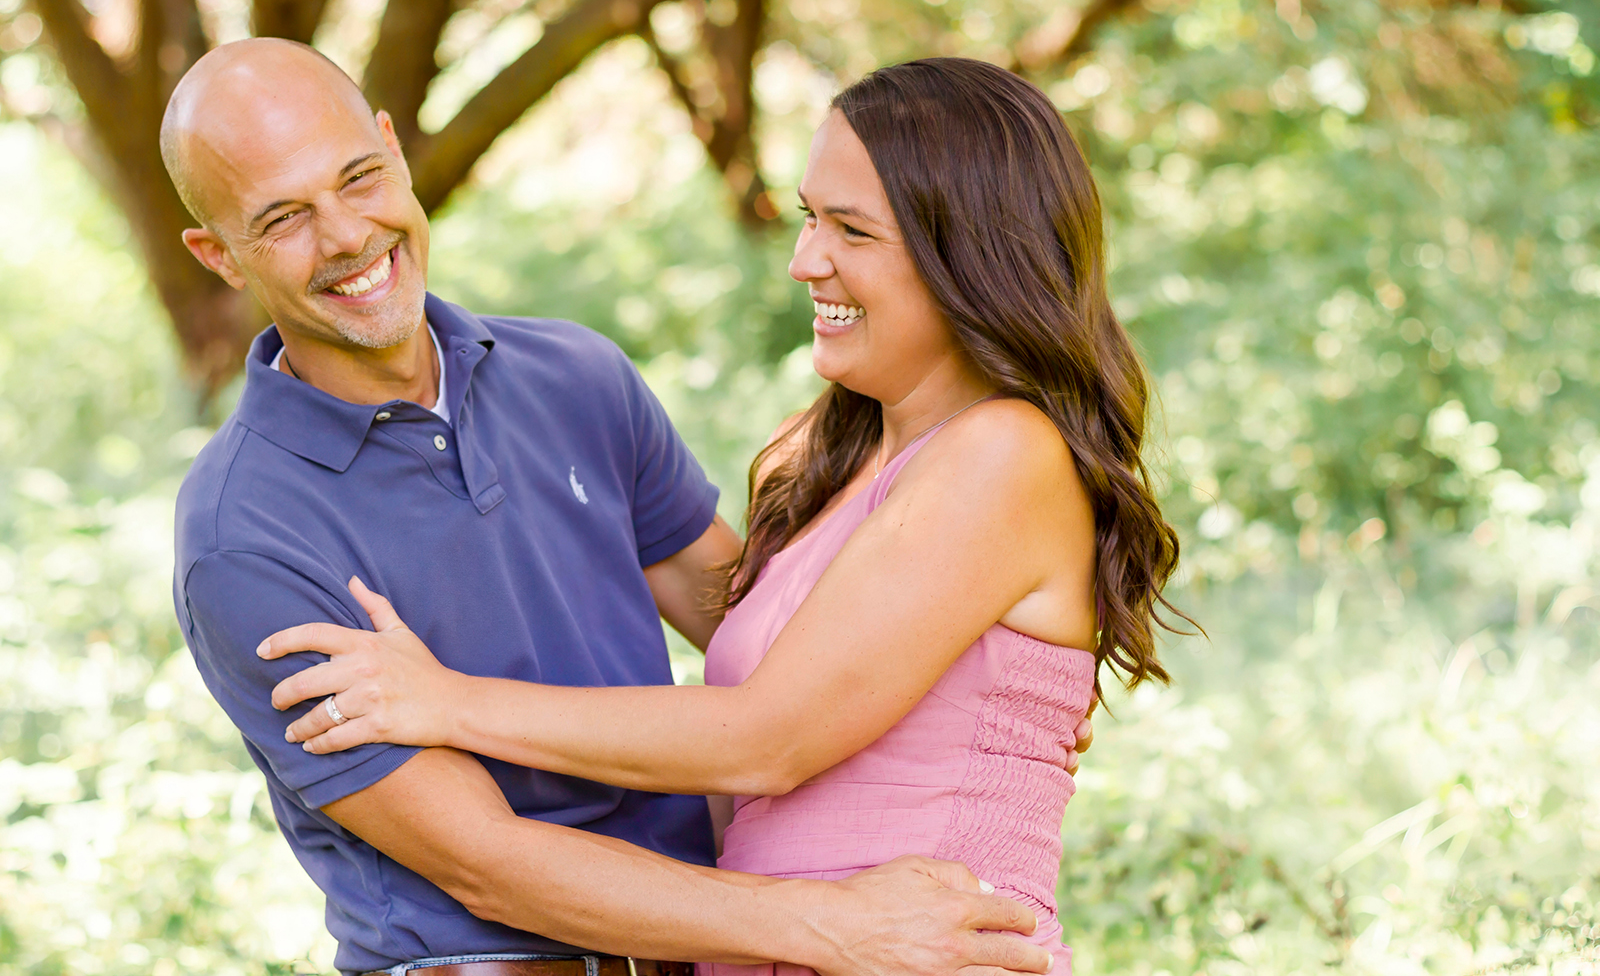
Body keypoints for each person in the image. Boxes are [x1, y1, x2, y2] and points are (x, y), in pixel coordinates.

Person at [259, 57, 1187, 975]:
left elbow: (765, 740)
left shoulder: (1003, 454)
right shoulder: (819, 454)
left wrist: (447, 701)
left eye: (852, 230)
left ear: (969, 253)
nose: (804, 258)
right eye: (809, 216)